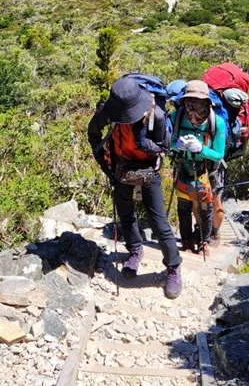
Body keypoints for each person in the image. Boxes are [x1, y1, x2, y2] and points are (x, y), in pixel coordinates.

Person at [88, 75, 183, 299]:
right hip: (121, 167)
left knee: (159, 222)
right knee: (126, 214)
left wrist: (144, 144)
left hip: (149, 170)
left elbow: (164, 148)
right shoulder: (108, 113)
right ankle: (135, 250)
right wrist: (106, 167)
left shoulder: (156, 115)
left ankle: (173, 266)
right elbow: (93, 134)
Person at [171, 80, 227, 253]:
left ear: (206, 103)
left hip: (206, 171)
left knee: (205, 208)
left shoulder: (217, 123)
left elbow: (219, 154)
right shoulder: (176, 117)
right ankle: (187, 242)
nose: (192, 107)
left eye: (197, 102)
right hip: (183, 167)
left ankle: (204, 242)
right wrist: (176, 146)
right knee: (184, 206)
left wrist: (201, 149)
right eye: (189, 102)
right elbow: (167, 143)